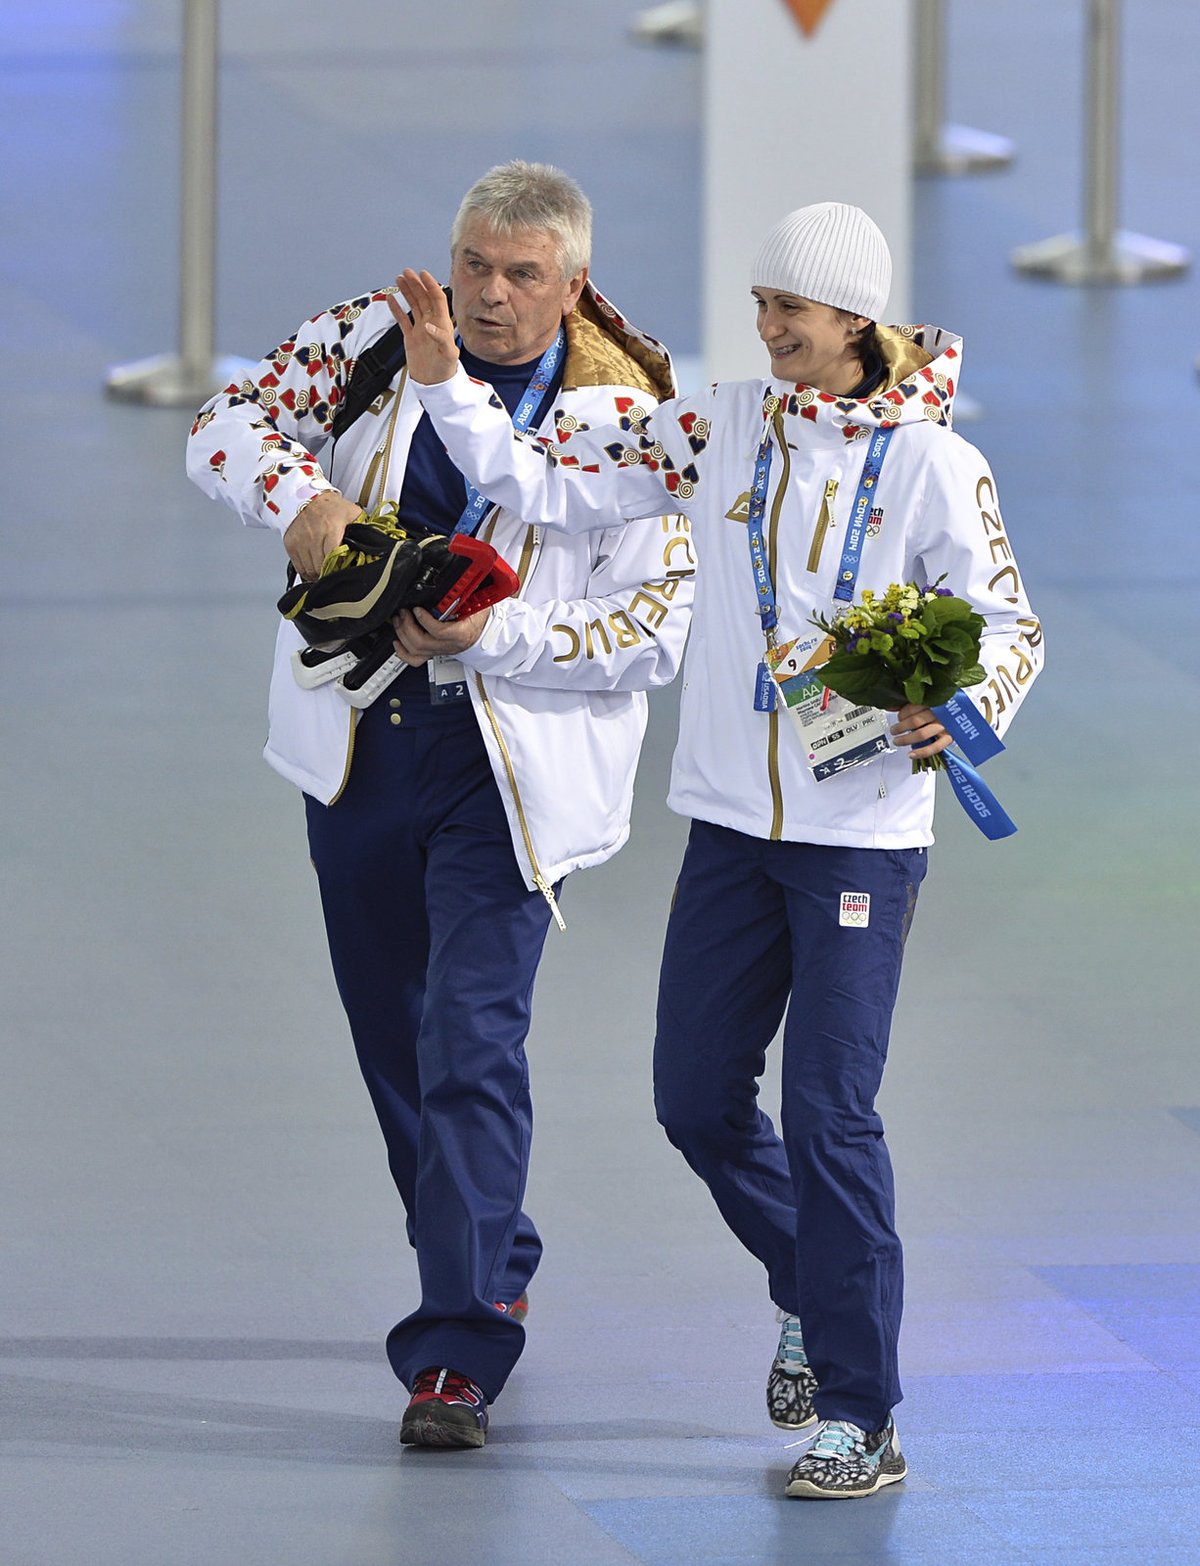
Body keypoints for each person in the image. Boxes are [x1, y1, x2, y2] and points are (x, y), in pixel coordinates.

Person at [389, 199, 1044, 1497]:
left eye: (787, 309)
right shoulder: (727, 425)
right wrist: (446, 383)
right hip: (732, 830)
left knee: (830, 1113)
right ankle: (809, 1273)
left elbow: (1006, 627)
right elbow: (545, 481)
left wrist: (951, 703)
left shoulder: (932, 465)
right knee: (693, 1095)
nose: (766, 327)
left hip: (861, 842)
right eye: (758, 305)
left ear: (853, 317)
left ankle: (861, 1411)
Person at [185, 161, 693, 1449]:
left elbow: (653, 629)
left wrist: (491, 644)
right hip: (361, 749)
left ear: (572, 284)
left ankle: (457, 1348)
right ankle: (493, 1235)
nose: (488, 295)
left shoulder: (631, 414)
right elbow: (225, 421)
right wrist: (300, 502)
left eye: (522, 276)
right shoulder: (370, 336)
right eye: (475, 263)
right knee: (395, 1041)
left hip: (510, 778)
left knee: (472, 1037)